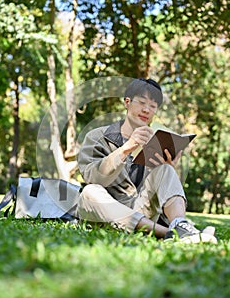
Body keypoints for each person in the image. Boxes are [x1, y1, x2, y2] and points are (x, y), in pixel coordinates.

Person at [77, 78, 217, 243]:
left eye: (153, 106)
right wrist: (126, 148)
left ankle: (180, 225)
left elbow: (157, 195)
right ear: (127, 102)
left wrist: (170, 169)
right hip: (104, 213)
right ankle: (169, 233)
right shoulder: (97, 136)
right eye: (142, 102)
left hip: (141, 210)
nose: (146, 110)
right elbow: (91, 176)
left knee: (165, 170)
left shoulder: (155, 141)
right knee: (89, 192)